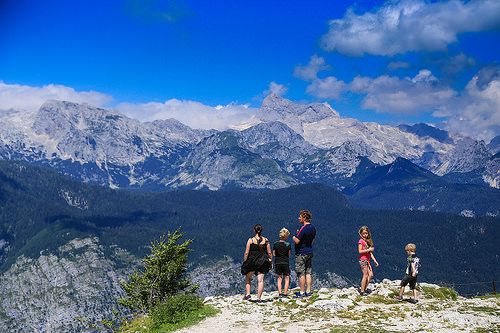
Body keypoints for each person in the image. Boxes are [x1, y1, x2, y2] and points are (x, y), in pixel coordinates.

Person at [241, 224, 273, 302]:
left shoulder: (251, 240)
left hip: (252, 261)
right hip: (262, 262)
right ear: (261, 231)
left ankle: (248, 294)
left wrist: (245, 262)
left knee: (248, 277)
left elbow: (246, 252)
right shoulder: (266, 240)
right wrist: (271, 262)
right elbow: (269, 253)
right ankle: (258, 298)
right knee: (260, 280)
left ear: (254, 231)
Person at [291, 210, 316, 298]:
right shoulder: (313, 228)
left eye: (300, 217)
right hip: (309, 251)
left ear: (304, 218)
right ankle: (308, 291)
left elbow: (297, 241)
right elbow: (312, 240)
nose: (299, 218)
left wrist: (294, 237)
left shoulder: (303, 228)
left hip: (301, 253)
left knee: (301, 272)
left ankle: (302, 292)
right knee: (308, 272)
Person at [358, 226, 379, 296]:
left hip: (367, 259)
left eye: (366, 233)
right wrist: (368, 250)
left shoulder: (367, 241)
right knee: (365, 275)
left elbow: (370, 253)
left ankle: (365, 288)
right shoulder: (361, 241)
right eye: (363, 234)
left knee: (371, 275)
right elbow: (360, 251)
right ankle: (362, 290)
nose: (365, 235)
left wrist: (374, 260)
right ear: (361, 233)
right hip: (363, 259)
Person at [273, 228, 291, 297]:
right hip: (285, 262)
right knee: (287, 277)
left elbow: (274, 254)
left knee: (279, 278)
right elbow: (288, 255)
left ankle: (280, 293)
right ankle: (285, 293)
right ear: (286, 237)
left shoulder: (276, 244)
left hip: (278, 262)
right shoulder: (288, 244)